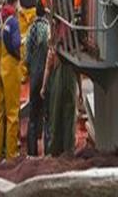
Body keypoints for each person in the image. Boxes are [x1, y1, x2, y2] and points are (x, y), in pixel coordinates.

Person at [0, 0, 22, 164]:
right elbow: (15, 45)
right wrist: (18, 58)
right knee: (12, 112)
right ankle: (11, 155)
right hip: (9, 69)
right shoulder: (14, 23)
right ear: (14, 4)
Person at [41, 24, 77, 156]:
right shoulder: (72, 34)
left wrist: (43, 86)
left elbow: (48, 65)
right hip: (71, 78)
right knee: (69, 115)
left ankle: (55, 150)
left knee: (55, 116)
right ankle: (68, 149)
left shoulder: (54, 37)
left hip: (58, 78)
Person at [25, 0, 49, 156]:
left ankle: (31, 151)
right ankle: (47, 150)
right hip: (46, 77)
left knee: (33, 114)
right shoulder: (48, 29)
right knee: (48, 114)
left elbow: (27, 57)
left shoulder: (30, 30)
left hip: (34, 75)